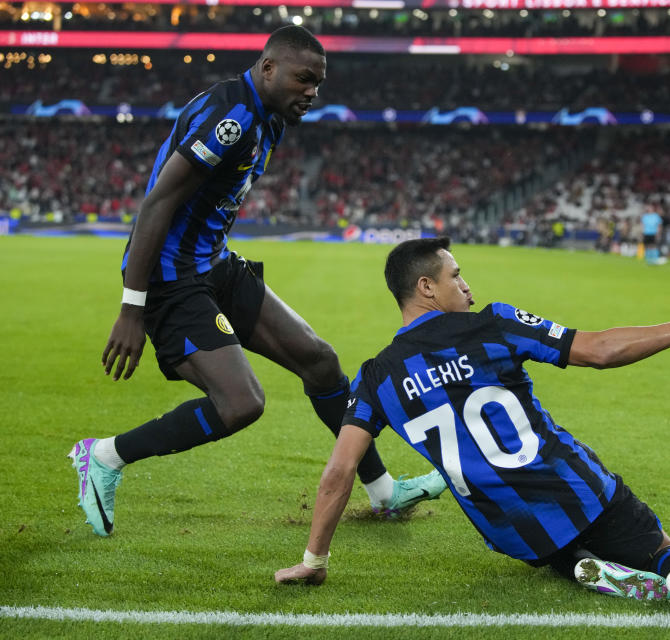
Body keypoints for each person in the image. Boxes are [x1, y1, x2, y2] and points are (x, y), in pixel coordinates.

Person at [68, 26, 446, 538]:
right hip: (170, 277)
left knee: (321, 362)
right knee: (241, 403)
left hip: (213, 264)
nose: (312, 91)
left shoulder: (270, 118)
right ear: (268, 68)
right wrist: (132, 308)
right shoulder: (232, 116)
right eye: (304, 79)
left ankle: (384, 493)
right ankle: (106, 456)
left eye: (319, 83)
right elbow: (157, 203)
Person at [275, 237, 670, 622]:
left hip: (512, 532)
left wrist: (314, 560)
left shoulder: (375, 376)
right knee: (658, 543)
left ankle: (578, 564)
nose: (468, 286)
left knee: (552, 545)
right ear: (426, 287)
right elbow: (598, 351)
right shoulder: (495, 325)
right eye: (456, 275)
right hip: (578, 490)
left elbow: (340, 470)